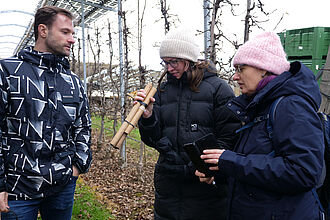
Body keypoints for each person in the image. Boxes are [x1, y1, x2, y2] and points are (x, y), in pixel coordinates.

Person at [196, 32, 325, 219]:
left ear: (264, 69)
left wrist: (231, 162)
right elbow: (259, 163)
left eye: (241, 68)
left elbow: (303, 172)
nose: (234, 76)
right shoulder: (260, 106)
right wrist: (221, 171)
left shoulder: (291, 106)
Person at [135, 28, 240, 220]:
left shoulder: (218, 89)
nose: (168, 68)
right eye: (165, 62)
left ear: (189, 60)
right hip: (169, 187)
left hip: (205, 188)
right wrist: (148, 117)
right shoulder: (162, 91)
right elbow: (152, 139)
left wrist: (210, 170)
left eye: (173, 62)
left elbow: (230, 138)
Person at [0, 6, 92, 220]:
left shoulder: (73, 82)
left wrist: (77, 167)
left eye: (73, 33)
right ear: (43, 30)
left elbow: (83, 127)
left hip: (62, 186)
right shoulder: (8, 72)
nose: (72, 39)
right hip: (18, 189)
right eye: (65, 32)